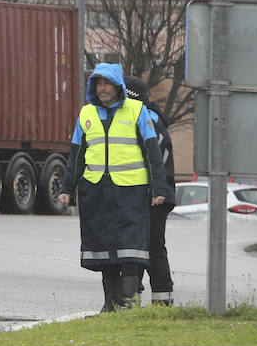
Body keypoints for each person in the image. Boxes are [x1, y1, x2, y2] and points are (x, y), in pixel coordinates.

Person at [56, 63, 173, 311]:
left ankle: (127, 303)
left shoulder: (137, 111)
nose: (102, 88)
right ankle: (110, 304)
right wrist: (66, 189)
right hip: (96, 191)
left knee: (130, 247)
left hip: (131, 191)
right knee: (102, 247)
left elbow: (152, 154)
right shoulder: (86, 114)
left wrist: (159, 189)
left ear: (118, 85)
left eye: (107, 83)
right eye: (98, 84)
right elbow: (76, 157)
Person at [125, 74, 176, 306]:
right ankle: (132, 296)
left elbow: (154, 160)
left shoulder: (148, 119)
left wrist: (155, 190)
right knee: (135, 247)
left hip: (155, 195)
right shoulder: (146, 116)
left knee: (151, 246)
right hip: (145, 193)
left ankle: (162, 300)